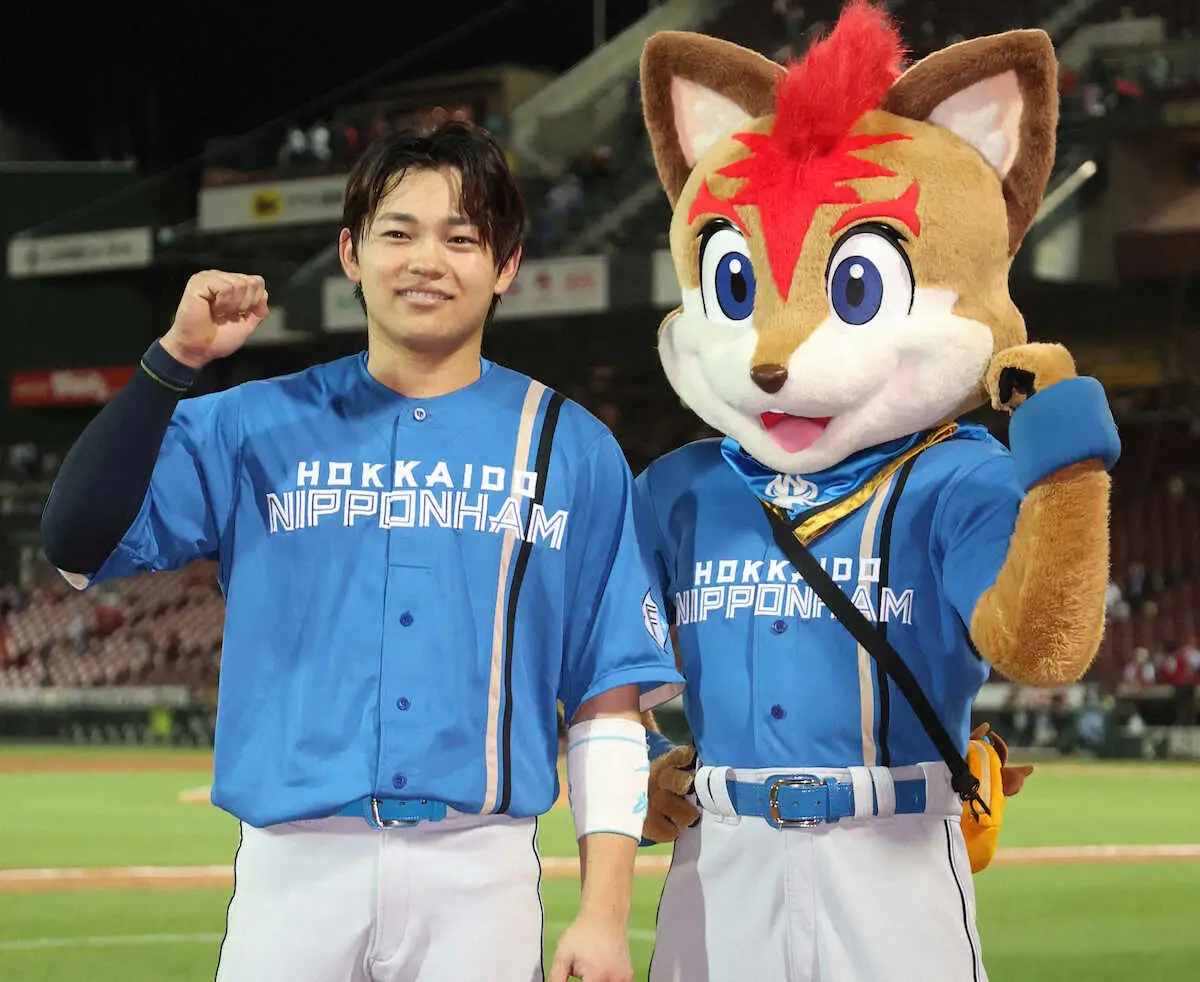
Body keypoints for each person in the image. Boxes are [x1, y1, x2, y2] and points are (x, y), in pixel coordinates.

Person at [40, 121, 683, 982]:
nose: (427, 261)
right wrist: (175, 359)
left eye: (462, 238)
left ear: (506, 266)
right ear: (351, 253)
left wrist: (604, 915)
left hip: (481, 874)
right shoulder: (253, 423)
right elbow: (76, 542)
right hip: (292, 870)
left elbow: (607, 704)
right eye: (398, 233)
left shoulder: (571, 448)